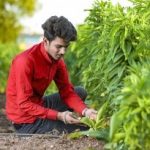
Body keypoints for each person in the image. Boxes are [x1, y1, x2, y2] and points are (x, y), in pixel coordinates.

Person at [6, 16, 97, 134]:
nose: (63, 52)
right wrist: (59, 116)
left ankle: (74, 116)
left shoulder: (57, 60)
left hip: (39, 104)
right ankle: (34, 130)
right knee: (86, 129)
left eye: (66, 47)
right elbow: (24, 104)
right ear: (45, 41)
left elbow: (67, 92)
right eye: (59, 47)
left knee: (80, 92)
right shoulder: (24, 61)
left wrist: (86, 111)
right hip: (25, 119)